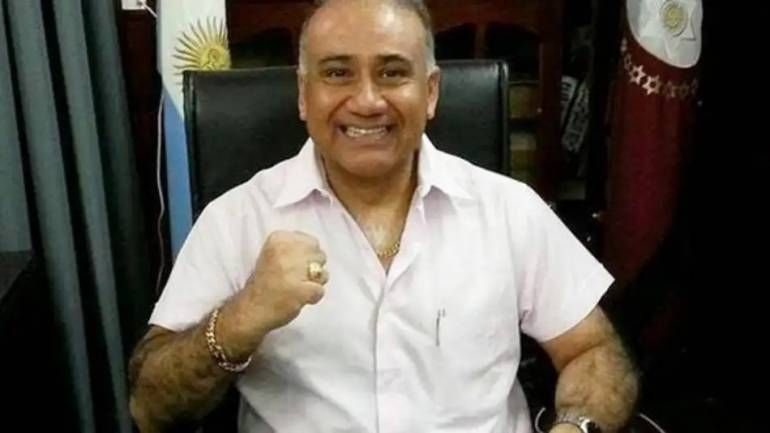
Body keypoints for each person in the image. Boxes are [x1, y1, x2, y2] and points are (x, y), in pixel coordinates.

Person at [128, 1, 639, 432]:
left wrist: (577, 427)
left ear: (431, 92)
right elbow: (149, 407)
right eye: (337, 73)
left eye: (393, 73)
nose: (368, 101)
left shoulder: (508, 209)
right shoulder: (237, 220)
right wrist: (243, 316)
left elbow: (593, 351)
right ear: (303, 95)